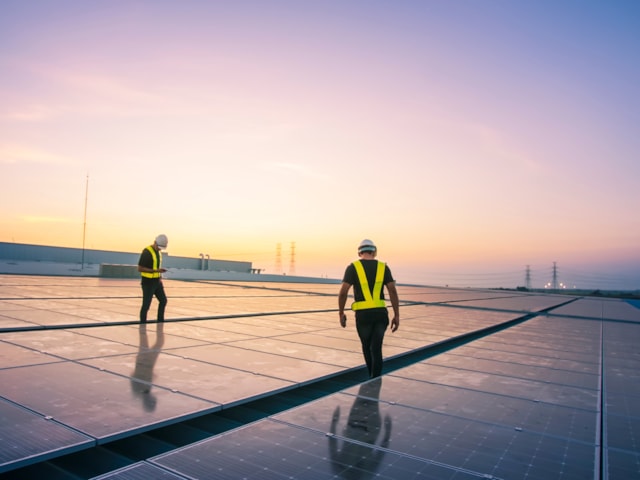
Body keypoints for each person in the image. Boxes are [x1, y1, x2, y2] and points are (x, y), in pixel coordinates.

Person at [338, 239, 399, 378]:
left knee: (366, 347)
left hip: (363, 316)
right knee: (376, 349)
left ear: (360, 252)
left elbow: (343, 292)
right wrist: (397, 315)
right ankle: (375, 378)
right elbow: (392, 291)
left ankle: (371, 378)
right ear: (374, 251)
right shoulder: (383, 267)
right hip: (380, 315)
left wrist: (341, 313)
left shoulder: (353, 267)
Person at [137, 234, 168, 323]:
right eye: (159, 247)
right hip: (148, 283)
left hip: (157, 282)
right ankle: (143, 323)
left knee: (163, 300)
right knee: (146, 305)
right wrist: (156, 271)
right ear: (155, 242)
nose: (160, 249)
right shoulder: (147, 252)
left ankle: (160, 320)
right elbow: (140, 268)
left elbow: (156, 266)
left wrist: (159, 274)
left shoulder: (159, 253)